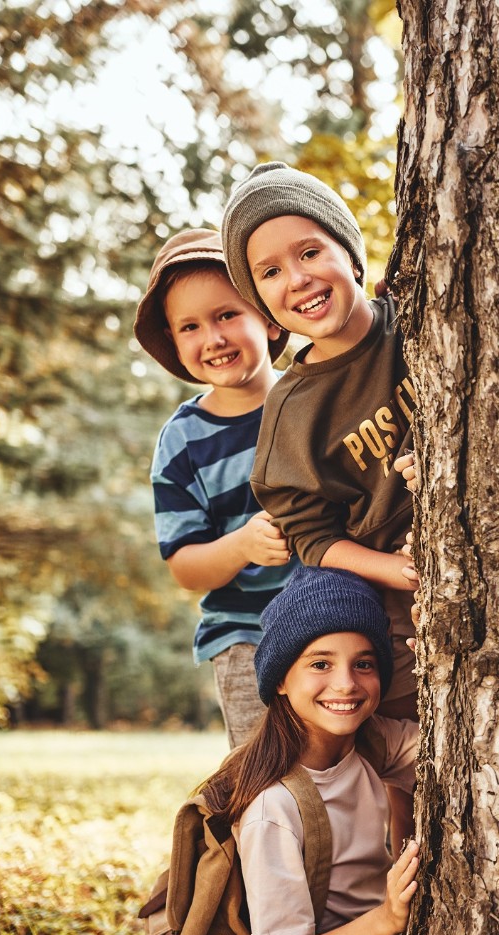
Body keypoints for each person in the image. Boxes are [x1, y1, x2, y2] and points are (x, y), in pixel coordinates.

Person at [219, 162, 420, 724]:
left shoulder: (418, 322)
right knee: (411, 752)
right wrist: (394, 571)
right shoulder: (291, 412)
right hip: (392, 596)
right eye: (270, 272)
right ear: (260, 301)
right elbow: (312, 536)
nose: (297, 279)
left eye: (309, 253)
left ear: (351, 256)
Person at [208, 566, 422, 935]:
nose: (345, 684)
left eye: (364, 664)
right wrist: (388, 918)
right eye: (320, 663)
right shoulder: (273, 809)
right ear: (282, 679)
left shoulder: (373, 743)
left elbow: (458, 749)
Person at [136, 228, 298, 747]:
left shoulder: (311, 398)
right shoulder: (182, 441)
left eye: (227, 314)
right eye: (190, 326)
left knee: (355, 771)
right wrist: (244, 545)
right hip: (244, 634)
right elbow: (184, 565)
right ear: (175, 342)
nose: (213, 338)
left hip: (339, 617)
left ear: (269, 319)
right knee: (262, 778)